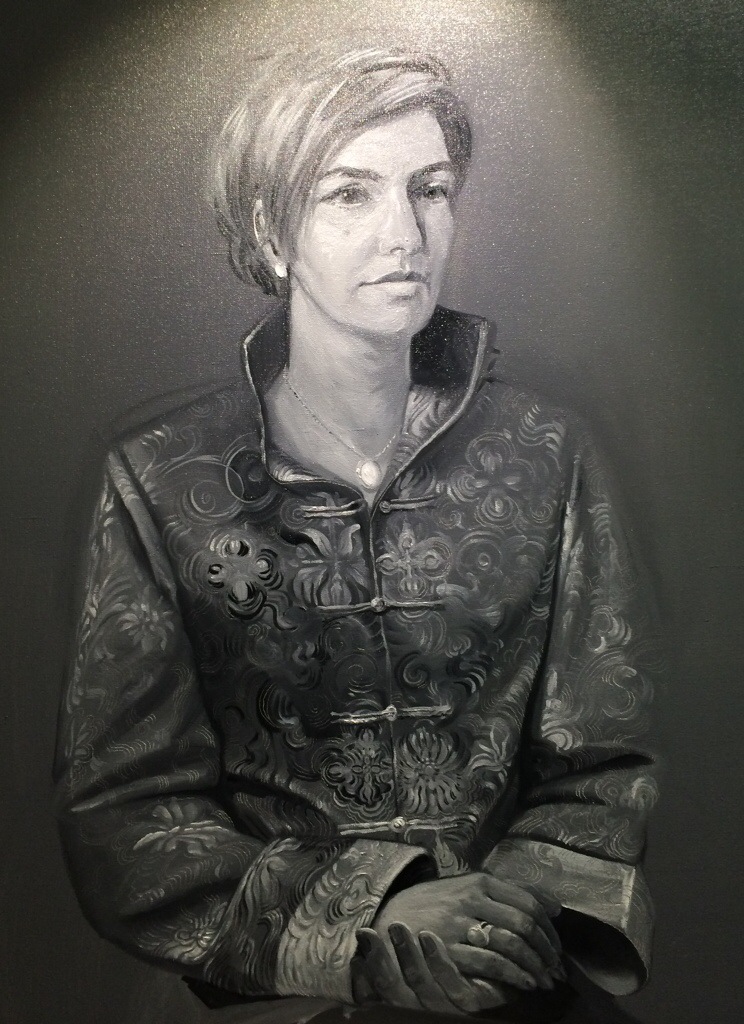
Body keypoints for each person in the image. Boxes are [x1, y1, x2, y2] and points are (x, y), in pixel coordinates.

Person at [54, 47, 660, 1024]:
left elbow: (605, 760)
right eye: (349, 193)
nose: (404, 235)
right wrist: (373, 918)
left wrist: (493, 931)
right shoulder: (160, 478)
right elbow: (123, 815)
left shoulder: (548, 452)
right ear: (271, 230)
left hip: (516, 978)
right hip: (275, 1000)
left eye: (430, 190)